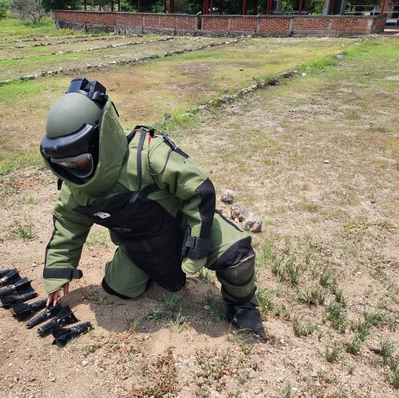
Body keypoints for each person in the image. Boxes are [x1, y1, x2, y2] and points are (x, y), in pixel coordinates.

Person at [39, 78, 265, 335]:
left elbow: (198, 191)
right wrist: (57, 275)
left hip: (183, 226)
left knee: (238, 258)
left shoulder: (148, 155)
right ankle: (153, 270)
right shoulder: (74, 190)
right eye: (63, 165)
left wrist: (197, 246)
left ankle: (243, 304)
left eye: (79, 162)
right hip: (138, 244)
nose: (73, 171)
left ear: (100, 139)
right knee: (118, 289)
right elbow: (68, 226)